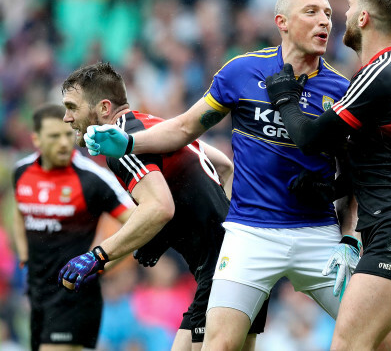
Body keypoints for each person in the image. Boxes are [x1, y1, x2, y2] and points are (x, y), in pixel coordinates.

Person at [81, 0, 360, 351]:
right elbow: (183, 128)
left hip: (318, 237)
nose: (325, 20)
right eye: (311, 11)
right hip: (250, 235)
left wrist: (351, 237)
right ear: (282, 23)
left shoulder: (342, 90)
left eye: (327, 13)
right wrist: (130, 143)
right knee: (219, 345)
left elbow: (356, 175)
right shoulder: (242, 72)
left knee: (376, 335)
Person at [263, 0, 391, 350]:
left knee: (349, 345)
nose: (341, 17)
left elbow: (311, 138)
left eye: (348, 7)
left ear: (363, 18)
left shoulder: (382, 70)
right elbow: (374, 159)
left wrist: (284, 97)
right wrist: (330, 188)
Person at [58, 62, 269, 351]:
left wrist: (99, 256)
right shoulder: (153, 126)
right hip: (234, 259)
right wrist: (221, 228)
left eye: (72, 107)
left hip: (224, 268)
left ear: (104, 108)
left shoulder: (122, 147)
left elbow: (159, 207)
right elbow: (224, 166)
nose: (67, 118)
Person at [12, 104, 134, 351]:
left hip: (73, 294)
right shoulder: (22, 171)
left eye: (68, 134)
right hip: (37, 292)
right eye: (54, 136)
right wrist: (24, 254)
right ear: (36, 139)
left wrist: (100, 264)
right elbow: (19, 210)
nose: (63, 143)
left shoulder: (93, 179)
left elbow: (139, 224)